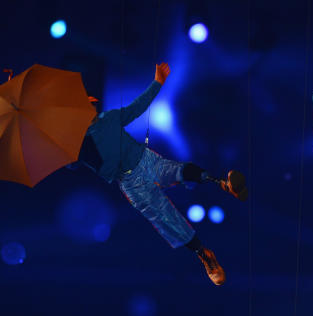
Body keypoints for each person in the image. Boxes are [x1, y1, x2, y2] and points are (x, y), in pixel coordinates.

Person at [75, 62, 247, 285]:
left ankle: (222, 182)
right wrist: (89, 152)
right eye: (88, 105)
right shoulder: (82, 146)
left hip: (146, 160)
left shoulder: (109, 118)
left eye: (92, 103)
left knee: (179, 171)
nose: (93, 106)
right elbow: (106, 170)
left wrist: (158, 82)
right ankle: (204, 255)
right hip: (130, 182)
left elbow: (137, 107)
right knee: (167, 218)